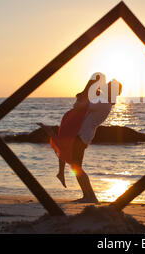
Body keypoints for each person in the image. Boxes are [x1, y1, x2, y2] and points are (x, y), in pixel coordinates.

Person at [39, 75, 123, 203]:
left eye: (107, 87)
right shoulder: (104, 102)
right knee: (75, 166)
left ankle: (90, 196)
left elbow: (78, 106)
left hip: (81, 136)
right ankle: (88, 196)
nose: (104, 88)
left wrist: (88, 90)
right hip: (82, 135)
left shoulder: (103, 102)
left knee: (76, 166)